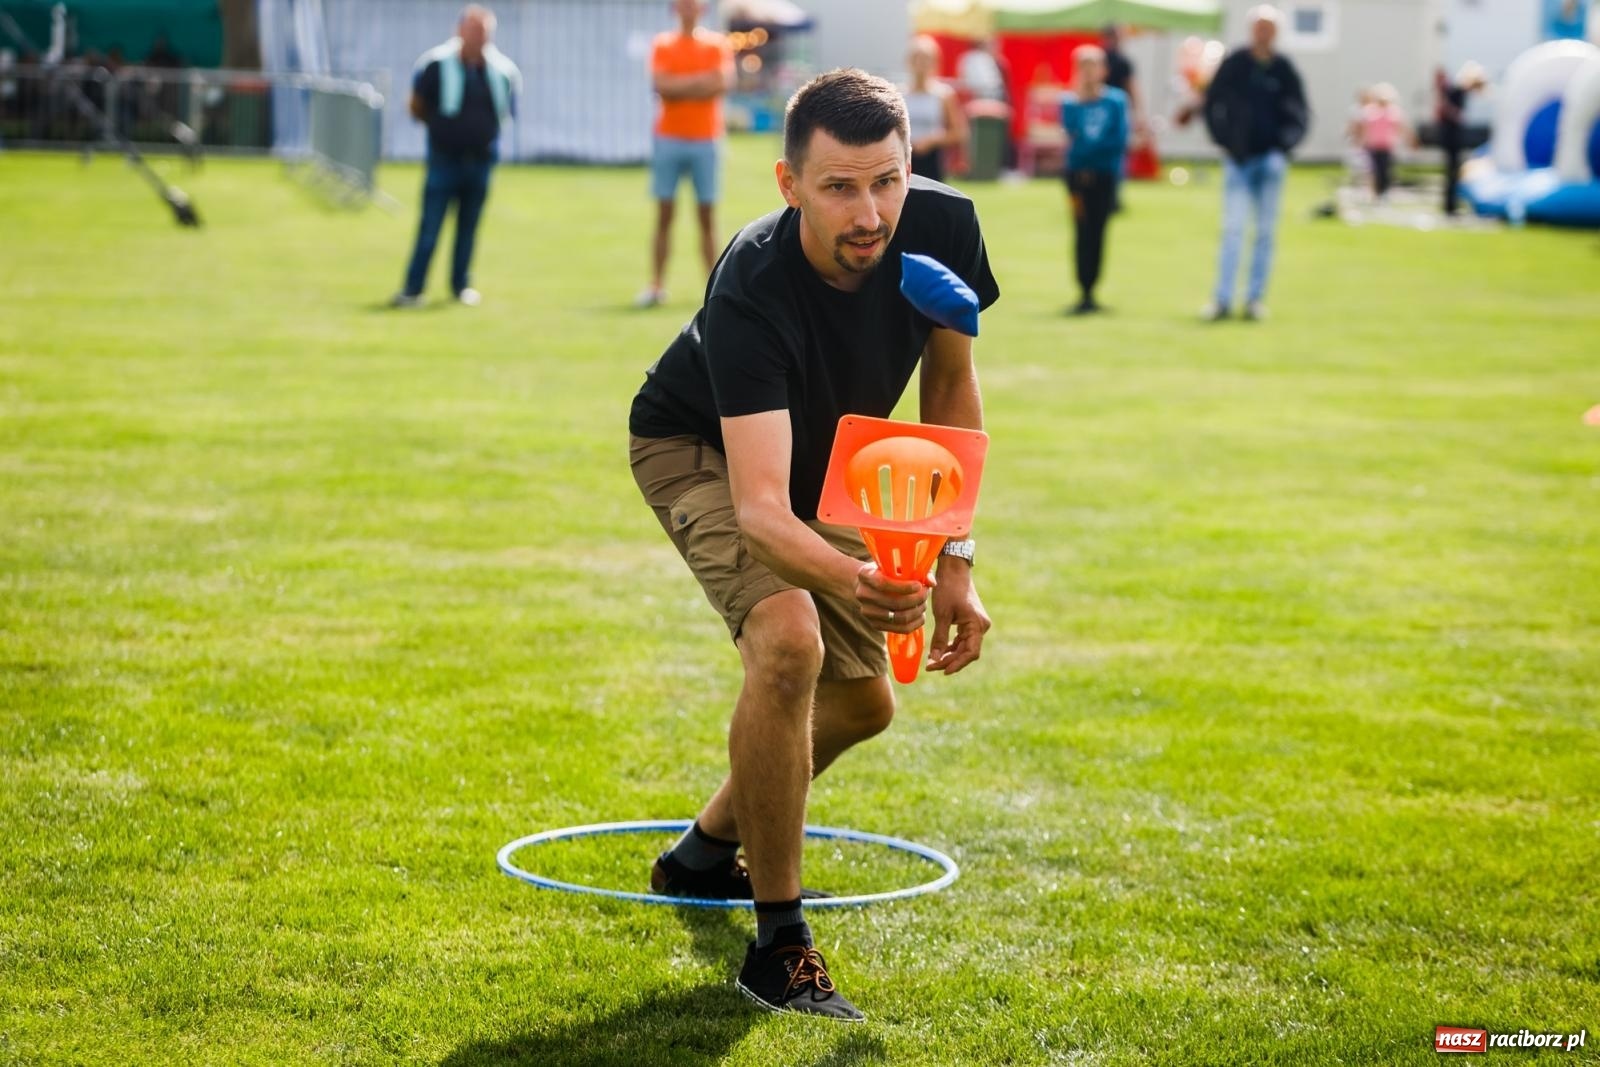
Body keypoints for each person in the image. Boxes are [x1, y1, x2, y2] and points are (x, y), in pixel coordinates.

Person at [627, 68, 998, 1021]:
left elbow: (949, 396)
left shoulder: (945, 225)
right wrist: (862, 576)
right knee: (790, 643)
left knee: (865, 703)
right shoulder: (752, 276)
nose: (871, 212)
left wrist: (955, 560)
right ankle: (778, 944)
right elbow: (758, 508)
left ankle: (701, 854)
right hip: (700, 443)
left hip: (820, 455)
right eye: (839, 187)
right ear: (790, 184)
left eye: (888, 180)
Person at [392, 5, 520, 309]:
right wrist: (444, 131)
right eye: (474, 31)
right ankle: (413, 288)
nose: (479, 37)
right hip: (445, 159)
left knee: (469, 227)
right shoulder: (438, 64)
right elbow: (417, 104)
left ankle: (460, 284)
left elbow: (506, 110)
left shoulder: (500, 70)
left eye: (484, 32)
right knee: (430, 226)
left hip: (481, 160)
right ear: (459, 31)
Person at [1201, 4, 1307, 322]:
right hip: (1239, 159)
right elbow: (1212, 102)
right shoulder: (1235, 63)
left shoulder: (1284, 68)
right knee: (1233, 229)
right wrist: (1224, 140)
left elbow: (1300, 113)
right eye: (1258, 27)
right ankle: (1222, 299)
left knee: (1264, 232)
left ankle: (1254, 299)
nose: (1263, 33)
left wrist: (1283, 146)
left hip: (1270, 159)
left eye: (1269, 28)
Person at [636, 0, 734, 309]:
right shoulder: (663, 44)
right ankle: (656, 285)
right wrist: (699, 83)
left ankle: (714, 289)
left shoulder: (717, 45)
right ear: (675, 9)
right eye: (683, 5)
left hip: (705, 138)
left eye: (693, 5)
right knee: (664, 214)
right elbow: (662, 86)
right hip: (669, 138)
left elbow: (720, 83)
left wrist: (681, 86)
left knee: (707, 216)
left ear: (701, 9)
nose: (688, 10)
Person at [1060, 45, 1128, 315]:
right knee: (1081, 229)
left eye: (1093, 65)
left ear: (1103, 70)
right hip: (1077, 178)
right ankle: (1082, 287)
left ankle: (1093, 287)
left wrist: (1087, 154)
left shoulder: (1116, 101)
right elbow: (1070, 133)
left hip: (1103, 175)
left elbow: (1117, 139)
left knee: (1099, 230)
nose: (1088, 72)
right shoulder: (1070, 101)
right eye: (1083, 66)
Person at [904, 35, 966, 183]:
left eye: (925, 59)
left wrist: (932, 140)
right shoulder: (900, 94)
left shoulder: (943, 95)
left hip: (933, 159)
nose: (921, 64)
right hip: (905, 158)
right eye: (917, 58)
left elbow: (959, 132)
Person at [1437, 62, 1485, 217]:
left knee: (1453, 171)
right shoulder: (1458, 91)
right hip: (1451, 137)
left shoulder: (1457, 91)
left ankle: (1451, 204)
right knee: (1452, 171)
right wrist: (1457, 116)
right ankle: (1450, 206)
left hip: (1452, 136)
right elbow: (1447, 108)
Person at [1357, 82, 1408, 201]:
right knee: (1375, 170)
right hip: (1373, 146)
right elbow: (1364, 128)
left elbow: (1399, 128)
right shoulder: (1370, 111)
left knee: (1386, 170)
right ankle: (1376, 192)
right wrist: (1362, 141)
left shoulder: (1393, 112)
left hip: (1387, 146)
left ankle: (1385, 192)